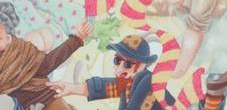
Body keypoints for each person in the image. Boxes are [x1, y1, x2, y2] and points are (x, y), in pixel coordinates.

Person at [0, 2, 93, 110]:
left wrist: (76, 39)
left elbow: (49, 63)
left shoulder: (24, 53)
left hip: (45, 101)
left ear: (8, 38)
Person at [47, 35, 176, 110]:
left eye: (128, 64)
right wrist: (71, 88)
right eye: (117, 60)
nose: (119, 69)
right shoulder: (128, 82)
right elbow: (105, 87)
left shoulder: (147, 80)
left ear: (143, 65)